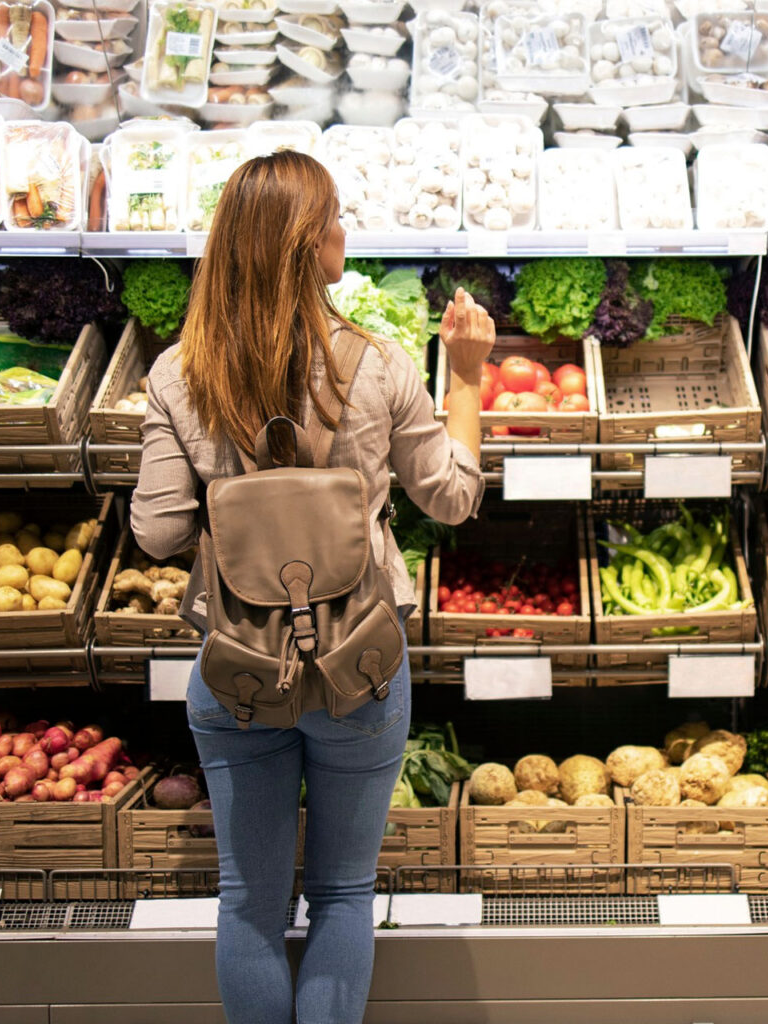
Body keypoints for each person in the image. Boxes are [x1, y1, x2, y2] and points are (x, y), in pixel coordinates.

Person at [130, 150, 493, 1024]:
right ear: (302, 246)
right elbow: (449, 498)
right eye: (331, 218)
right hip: (358, 665)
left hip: (238, 668)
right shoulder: (377, 364)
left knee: (248, 903)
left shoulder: (180, 376)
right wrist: (470, 376)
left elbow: (158, 531)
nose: (344, 231)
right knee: (340, 893)